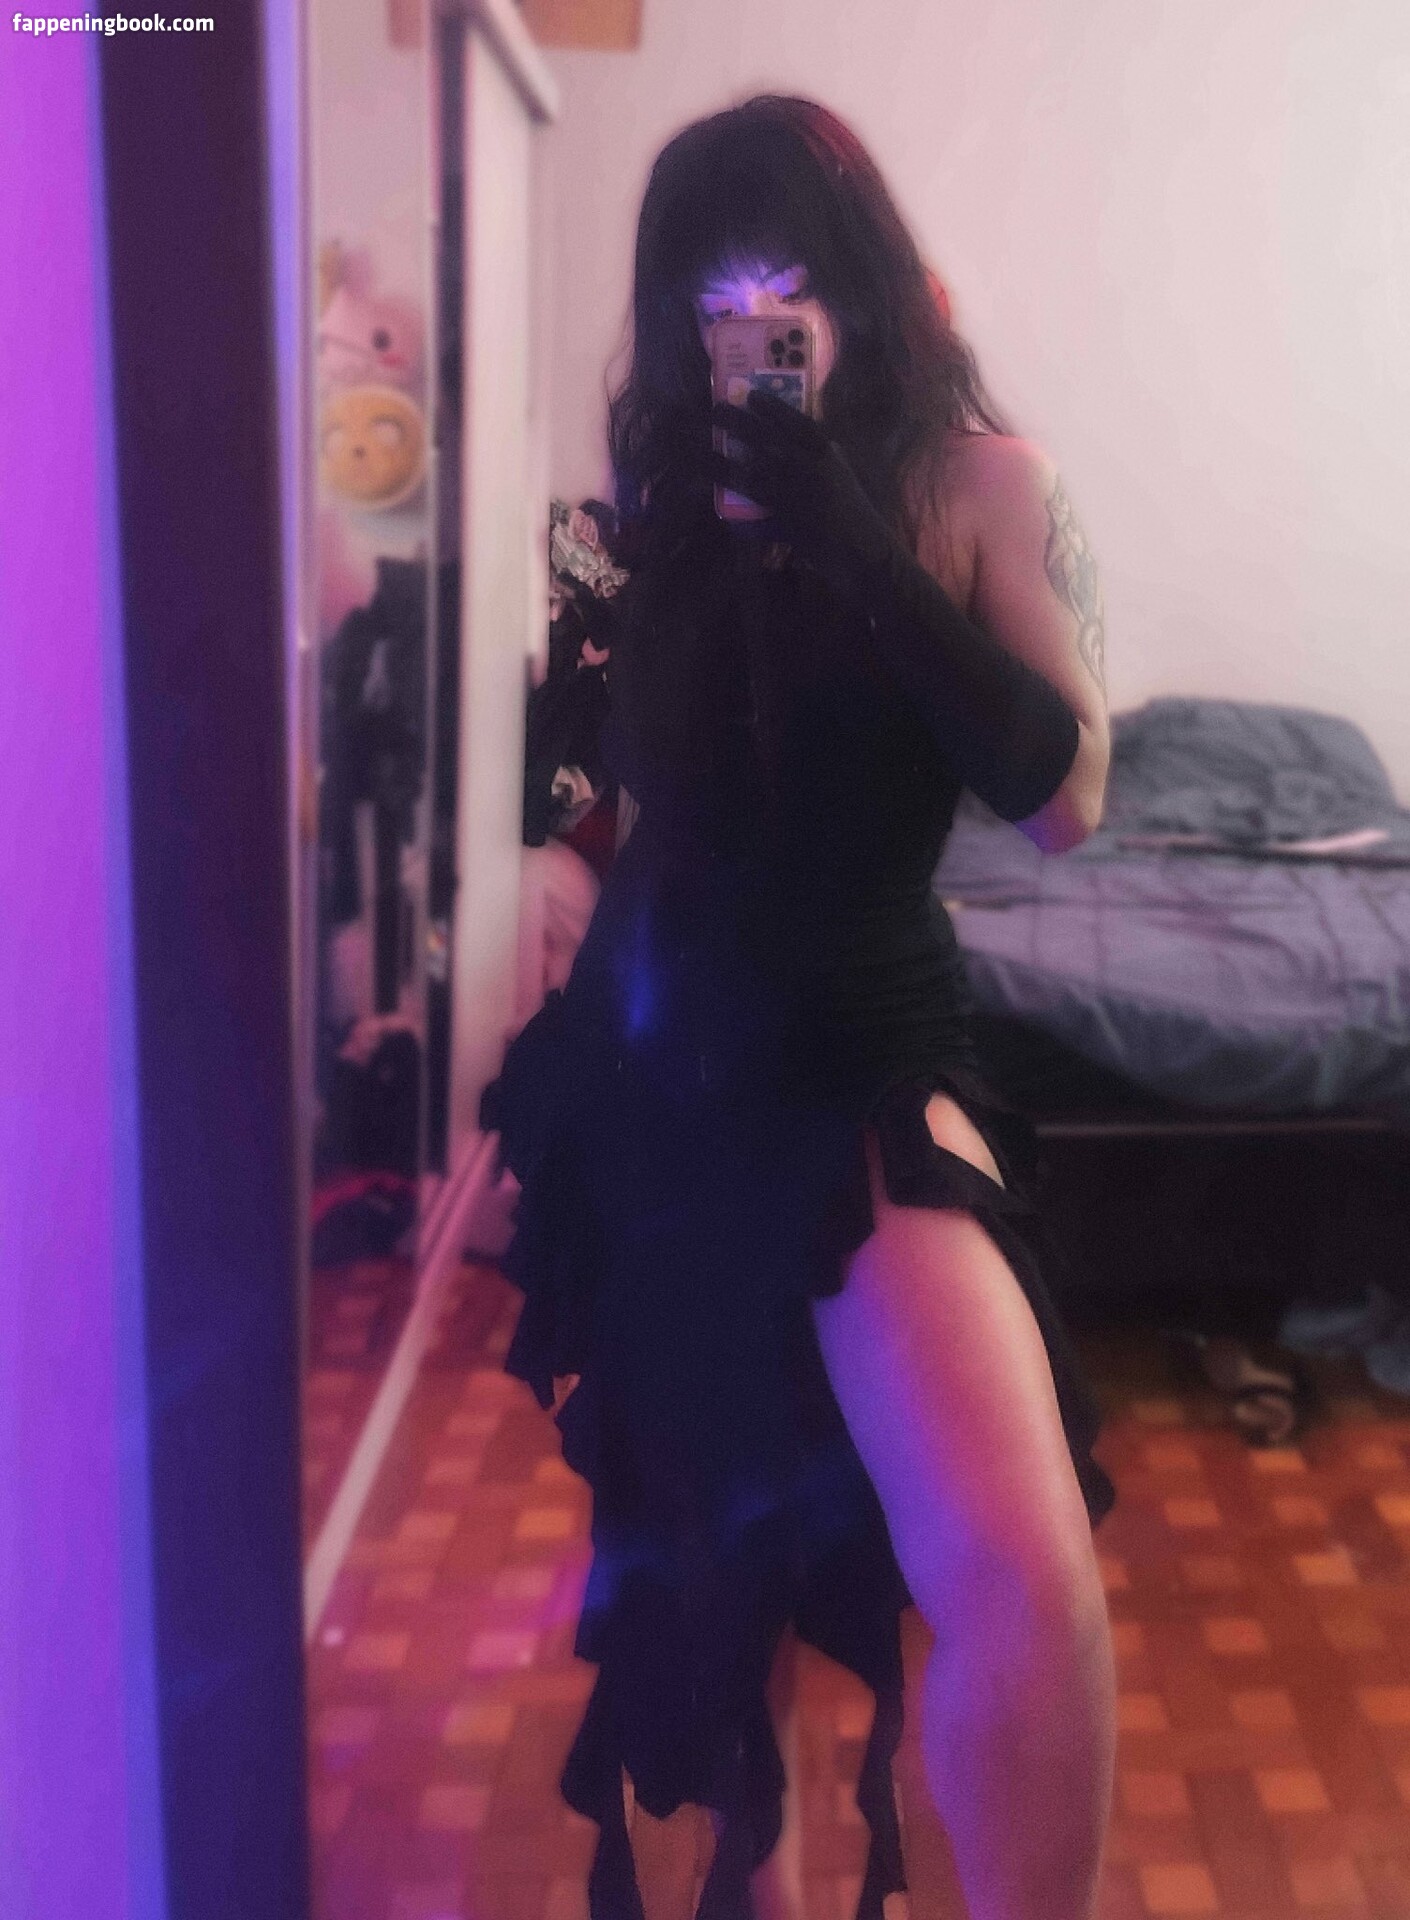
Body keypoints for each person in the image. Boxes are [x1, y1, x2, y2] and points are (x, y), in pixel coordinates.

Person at [478, 94, 1117, 1920]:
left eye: (778, 287)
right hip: (658, 1082)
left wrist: (856, 545)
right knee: (707, 1579)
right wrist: (547, 843)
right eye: (707, 301)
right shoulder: (647, 510)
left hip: (858, 1067)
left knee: (1021, 1574)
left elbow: (1063, 798)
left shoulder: (981, 484)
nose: (745, 329)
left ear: (852, 286)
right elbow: (609, 779)